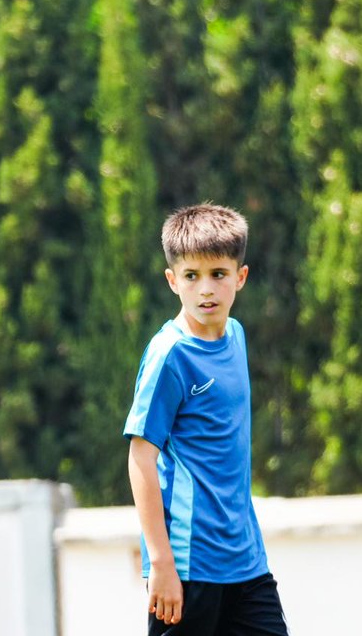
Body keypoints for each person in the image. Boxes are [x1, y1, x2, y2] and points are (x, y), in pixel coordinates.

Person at [124, 204, 289, 636]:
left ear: (241, 277)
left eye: (218, 273)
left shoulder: (236, 335)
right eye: (192, 276)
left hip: (247, 565)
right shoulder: (169, 356)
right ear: (172, 281)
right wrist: (159, 563)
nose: (206, 289)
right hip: (187, 567)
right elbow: (140, 460)